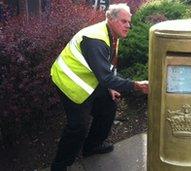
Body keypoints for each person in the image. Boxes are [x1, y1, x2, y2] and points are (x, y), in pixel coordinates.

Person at [50, 3, 148, 171]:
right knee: (77, 127)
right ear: (110, 19)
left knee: (108, 107)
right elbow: (105, 77)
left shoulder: (111, 35)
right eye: (124, 21)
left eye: (129, 22)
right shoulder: (96, 40)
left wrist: (110, 86)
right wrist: (136, 86)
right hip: (69, 81)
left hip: (89, 80)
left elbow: (107, 67)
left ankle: (92, 146)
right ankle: (59, 166)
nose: (128, 26)